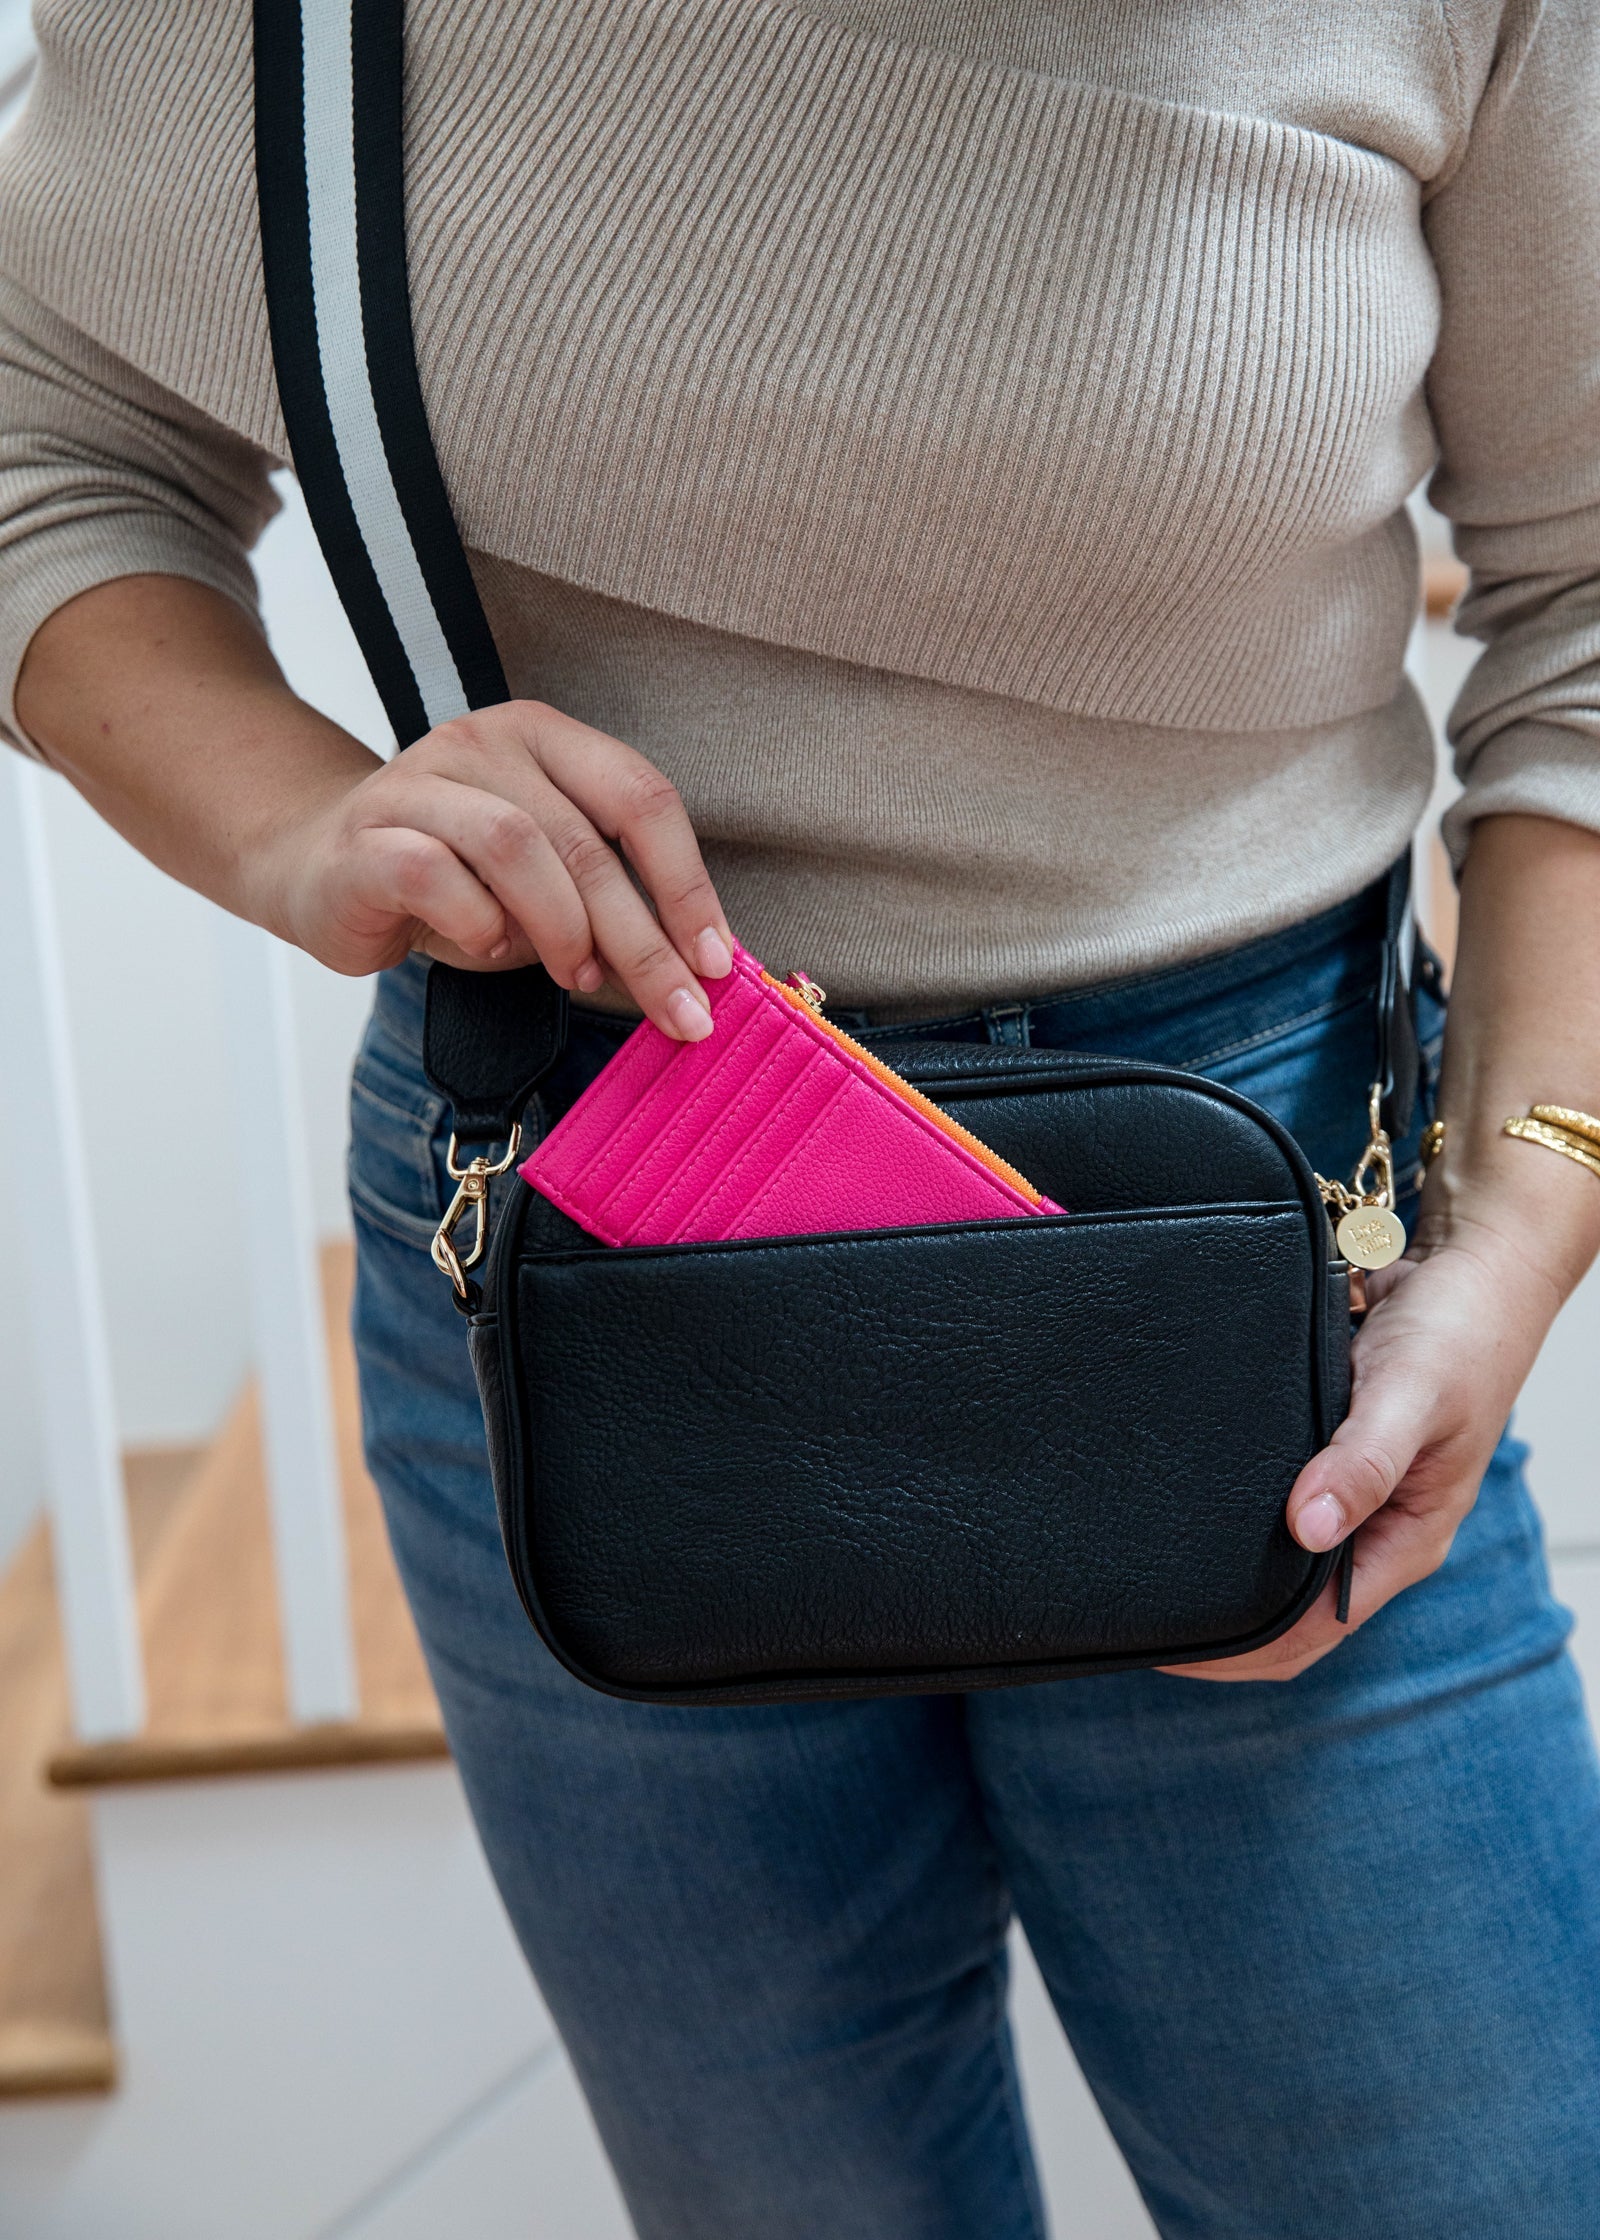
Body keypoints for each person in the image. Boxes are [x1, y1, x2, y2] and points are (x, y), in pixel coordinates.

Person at [4, 2, 1599, 2230]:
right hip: (592, 1218)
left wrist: (1521, 1230)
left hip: (1264, 1266)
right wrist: (295, 828)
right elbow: (41, 429)